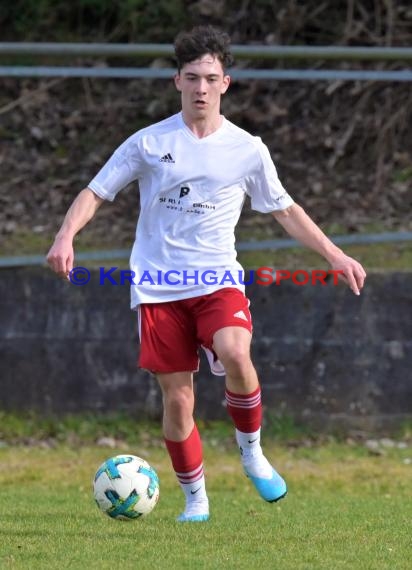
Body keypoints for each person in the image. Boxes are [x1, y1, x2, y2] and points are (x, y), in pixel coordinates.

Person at [47, 25, 366, 522]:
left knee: (236, 352)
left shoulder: (247, 148)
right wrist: (66, 235)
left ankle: (252, 452)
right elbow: (95, 192)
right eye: (191, 77)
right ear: (177, 81)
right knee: (178, 402)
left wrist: (334, 254)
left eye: (210, 78)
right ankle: (196, 499)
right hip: (158, 287)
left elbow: (283, 209)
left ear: (226, 83)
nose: (201, 87)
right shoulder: (149, 142)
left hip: (217, 280)